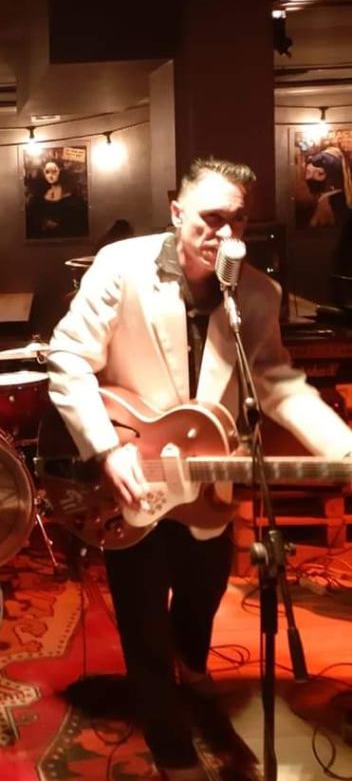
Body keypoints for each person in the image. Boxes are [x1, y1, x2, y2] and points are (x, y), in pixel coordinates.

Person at [47, 157, 352, 780]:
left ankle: (191, 661)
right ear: (176, 211)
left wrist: (343, 448)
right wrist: (106, 448)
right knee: (142, 621)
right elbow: (68, 358)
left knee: (204, 589)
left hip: (207, 484)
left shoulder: (256, 293)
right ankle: (173, 750)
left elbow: (276, 382)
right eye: (211, 218)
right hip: (130, 467)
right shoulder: (121, 267)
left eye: (237, 221)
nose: (225, 233)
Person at [26, 157, 89, 239]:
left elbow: (77, 223)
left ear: (61, 172)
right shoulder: (40, 194)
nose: (50, 175)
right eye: (47, 172)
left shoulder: (72, 197)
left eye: (54, 171)